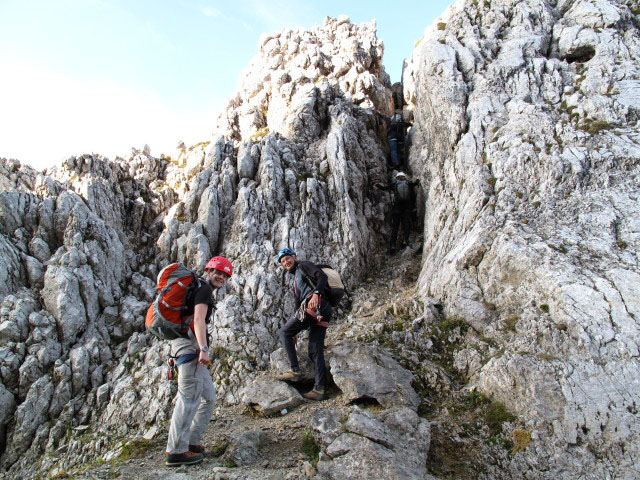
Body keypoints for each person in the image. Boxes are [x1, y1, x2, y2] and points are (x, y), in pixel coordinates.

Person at [165, 256, 232, 467]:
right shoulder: (203, 289)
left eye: (225, 275)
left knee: (208, 397)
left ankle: (191, 442)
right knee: (188, 399)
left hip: (188, 346)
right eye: (218, 272)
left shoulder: (201, 289)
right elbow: (198, 320)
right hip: (191, 348)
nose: (221, 277)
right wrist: (203, 349)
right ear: (209, 270)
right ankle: (176, 451)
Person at [275, 248, 332, 401]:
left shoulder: (303, 266)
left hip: (314, 305)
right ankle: (320, 389)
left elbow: (322, 276)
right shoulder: (296, 279)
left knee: (283, 333)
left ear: (294, 257)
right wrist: (295, 330)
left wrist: (316, 293)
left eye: (287, 258)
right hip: (323, 311)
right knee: (315, 349)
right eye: (283, 262)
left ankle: (295, 370)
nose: (286, 262)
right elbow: (296, 303)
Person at [375, 172, 420, 253]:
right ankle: (405, 240)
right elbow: (416, 183)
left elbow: (383, 188)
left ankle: (392, 245)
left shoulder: (394, 184)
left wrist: (376, 184)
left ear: (397, 177)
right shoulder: (408, 183)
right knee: (406, 224)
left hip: (396, 209)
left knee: (395, 227)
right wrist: (417, 178)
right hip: (406, 208)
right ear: (404, 177)